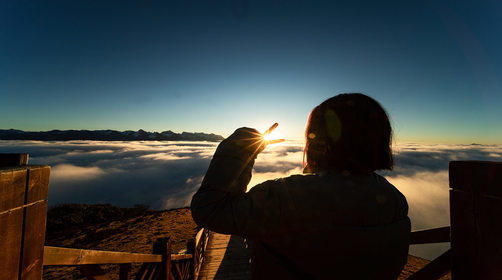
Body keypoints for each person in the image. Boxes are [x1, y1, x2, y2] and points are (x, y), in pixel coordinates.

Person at [191, 93, 410, 279]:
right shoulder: (395, 200)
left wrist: (241, 147)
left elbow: (210, 209)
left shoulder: (286, 198)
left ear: (318, 142)